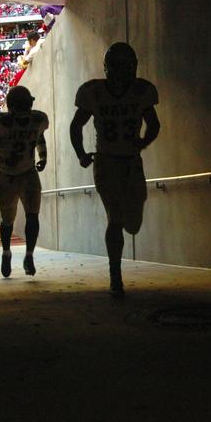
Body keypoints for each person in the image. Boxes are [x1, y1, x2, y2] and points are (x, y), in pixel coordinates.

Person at [69, 42, 160, 298]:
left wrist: (142, 142)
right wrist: (81, 154)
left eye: (125, 66)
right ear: (108, 68)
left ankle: (115, 273)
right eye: (117, 66)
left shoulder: (139, 91)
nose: (121, 72)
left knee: (133, 223)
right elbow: (76, 126)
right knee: (116, 218)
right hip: (107, 161)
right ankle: (115, 275)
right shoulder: (96, 92)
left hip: (131, 161)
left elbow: (154, 124)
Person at [0, 85, 48, 278]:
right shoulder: (37, 119)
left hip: (18, 174)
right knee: (14, 219)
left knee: (24, 217)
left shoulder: (0, 122)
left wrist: (42, 157)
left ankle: (26, 255)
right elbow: (40, 137)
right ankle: (8, 252)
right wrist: (42, 157)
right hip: (15, 174)